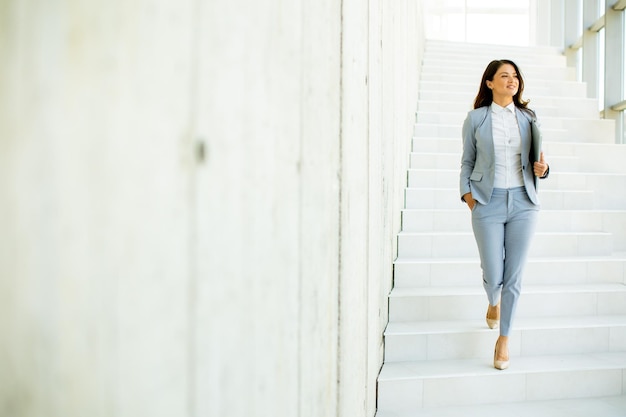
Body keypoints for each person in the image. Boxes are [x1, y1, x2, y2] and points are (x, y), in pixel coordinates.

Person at [459, 59, 549, 370]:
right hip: (488, 200)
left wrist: (544, 169)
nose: (512, 81)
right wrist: (469, 198)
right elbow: (466, 162)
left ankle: (504, 340)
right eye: (504, 76)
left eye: (515, 76)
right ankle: (492, 301)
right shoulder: (476, 119)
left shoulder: (528, 117)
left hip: (524, 202)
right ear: (490, 83)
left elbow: (539, 161)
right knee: (493, 273)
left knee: (514, 276)